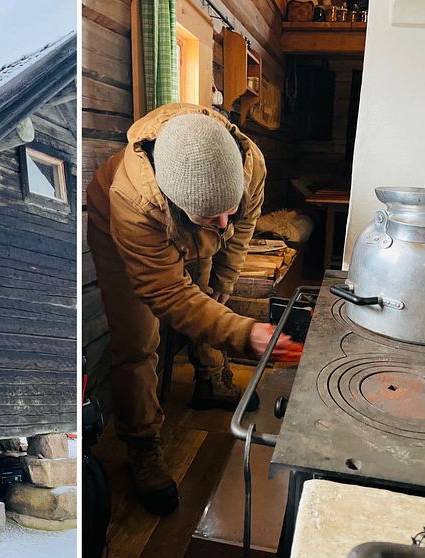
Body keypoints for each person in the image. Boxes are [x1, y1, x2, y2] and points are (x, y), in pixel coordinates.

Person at [86, 103, 302, 515]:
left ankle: (210, 380)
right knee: (137, 341)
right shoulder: (131, 200)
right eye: (210, 215)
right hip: (121, 232)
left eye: (229, 208)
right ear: (175, 199)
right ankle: (142, 444)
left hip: (185, 221)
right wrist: (245, 333)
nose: (224, 224)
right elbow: (168, 294)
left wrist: (225, 281)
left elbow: (240, 228)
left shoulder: (249, 161)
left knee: (209, 295)